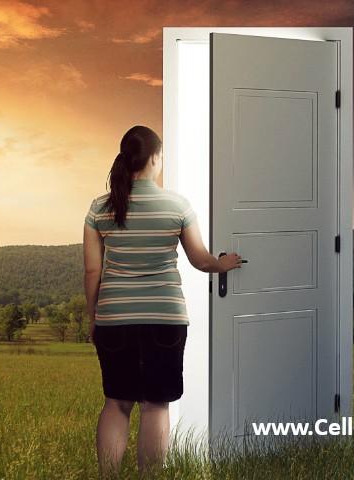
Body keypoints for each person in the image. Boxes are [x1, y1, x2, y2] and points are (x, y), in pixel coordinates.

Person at [83, 125, 241, 477]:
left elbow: (92, 271)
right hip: (164, 319)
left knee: (116, 403)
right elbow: (201, 260)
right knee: (155, 407)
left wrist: (95, 318)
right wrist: (224, 263)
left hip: (114, 320)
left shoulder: (100, 208)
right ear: (155, 159)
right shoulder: (176, 204)